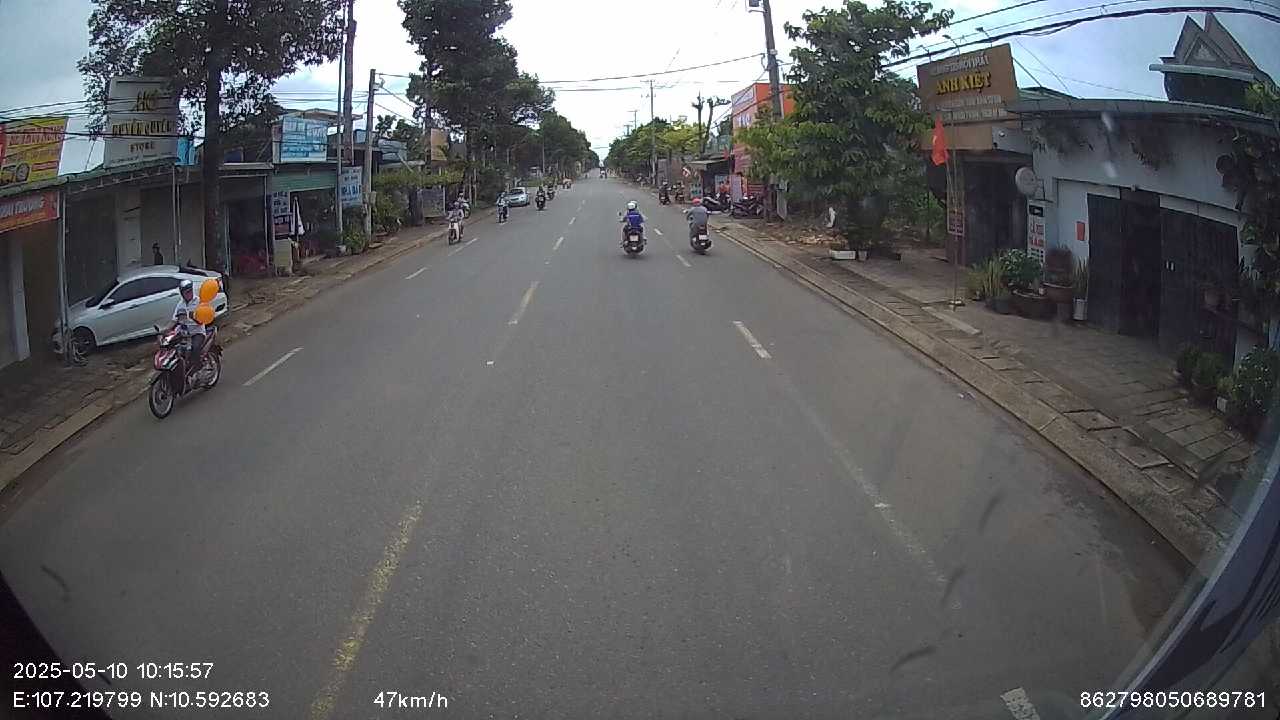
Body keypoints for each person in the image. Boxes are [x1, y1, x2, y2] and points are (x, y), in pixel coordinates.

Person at [170, 279, 207, 387]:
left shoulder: (199, 301)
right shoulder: (180, 305)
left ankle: (197, 372)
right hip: (184, 334)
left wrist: (194, 317)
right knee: (176, 351)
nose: (189, 294)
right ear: (182, 294)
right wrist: (165, 331)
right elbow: (174, 321)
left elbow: (203, 320)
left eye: (190, 291)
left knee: (195, 348)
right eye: (187, 292)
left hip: (197, 332)